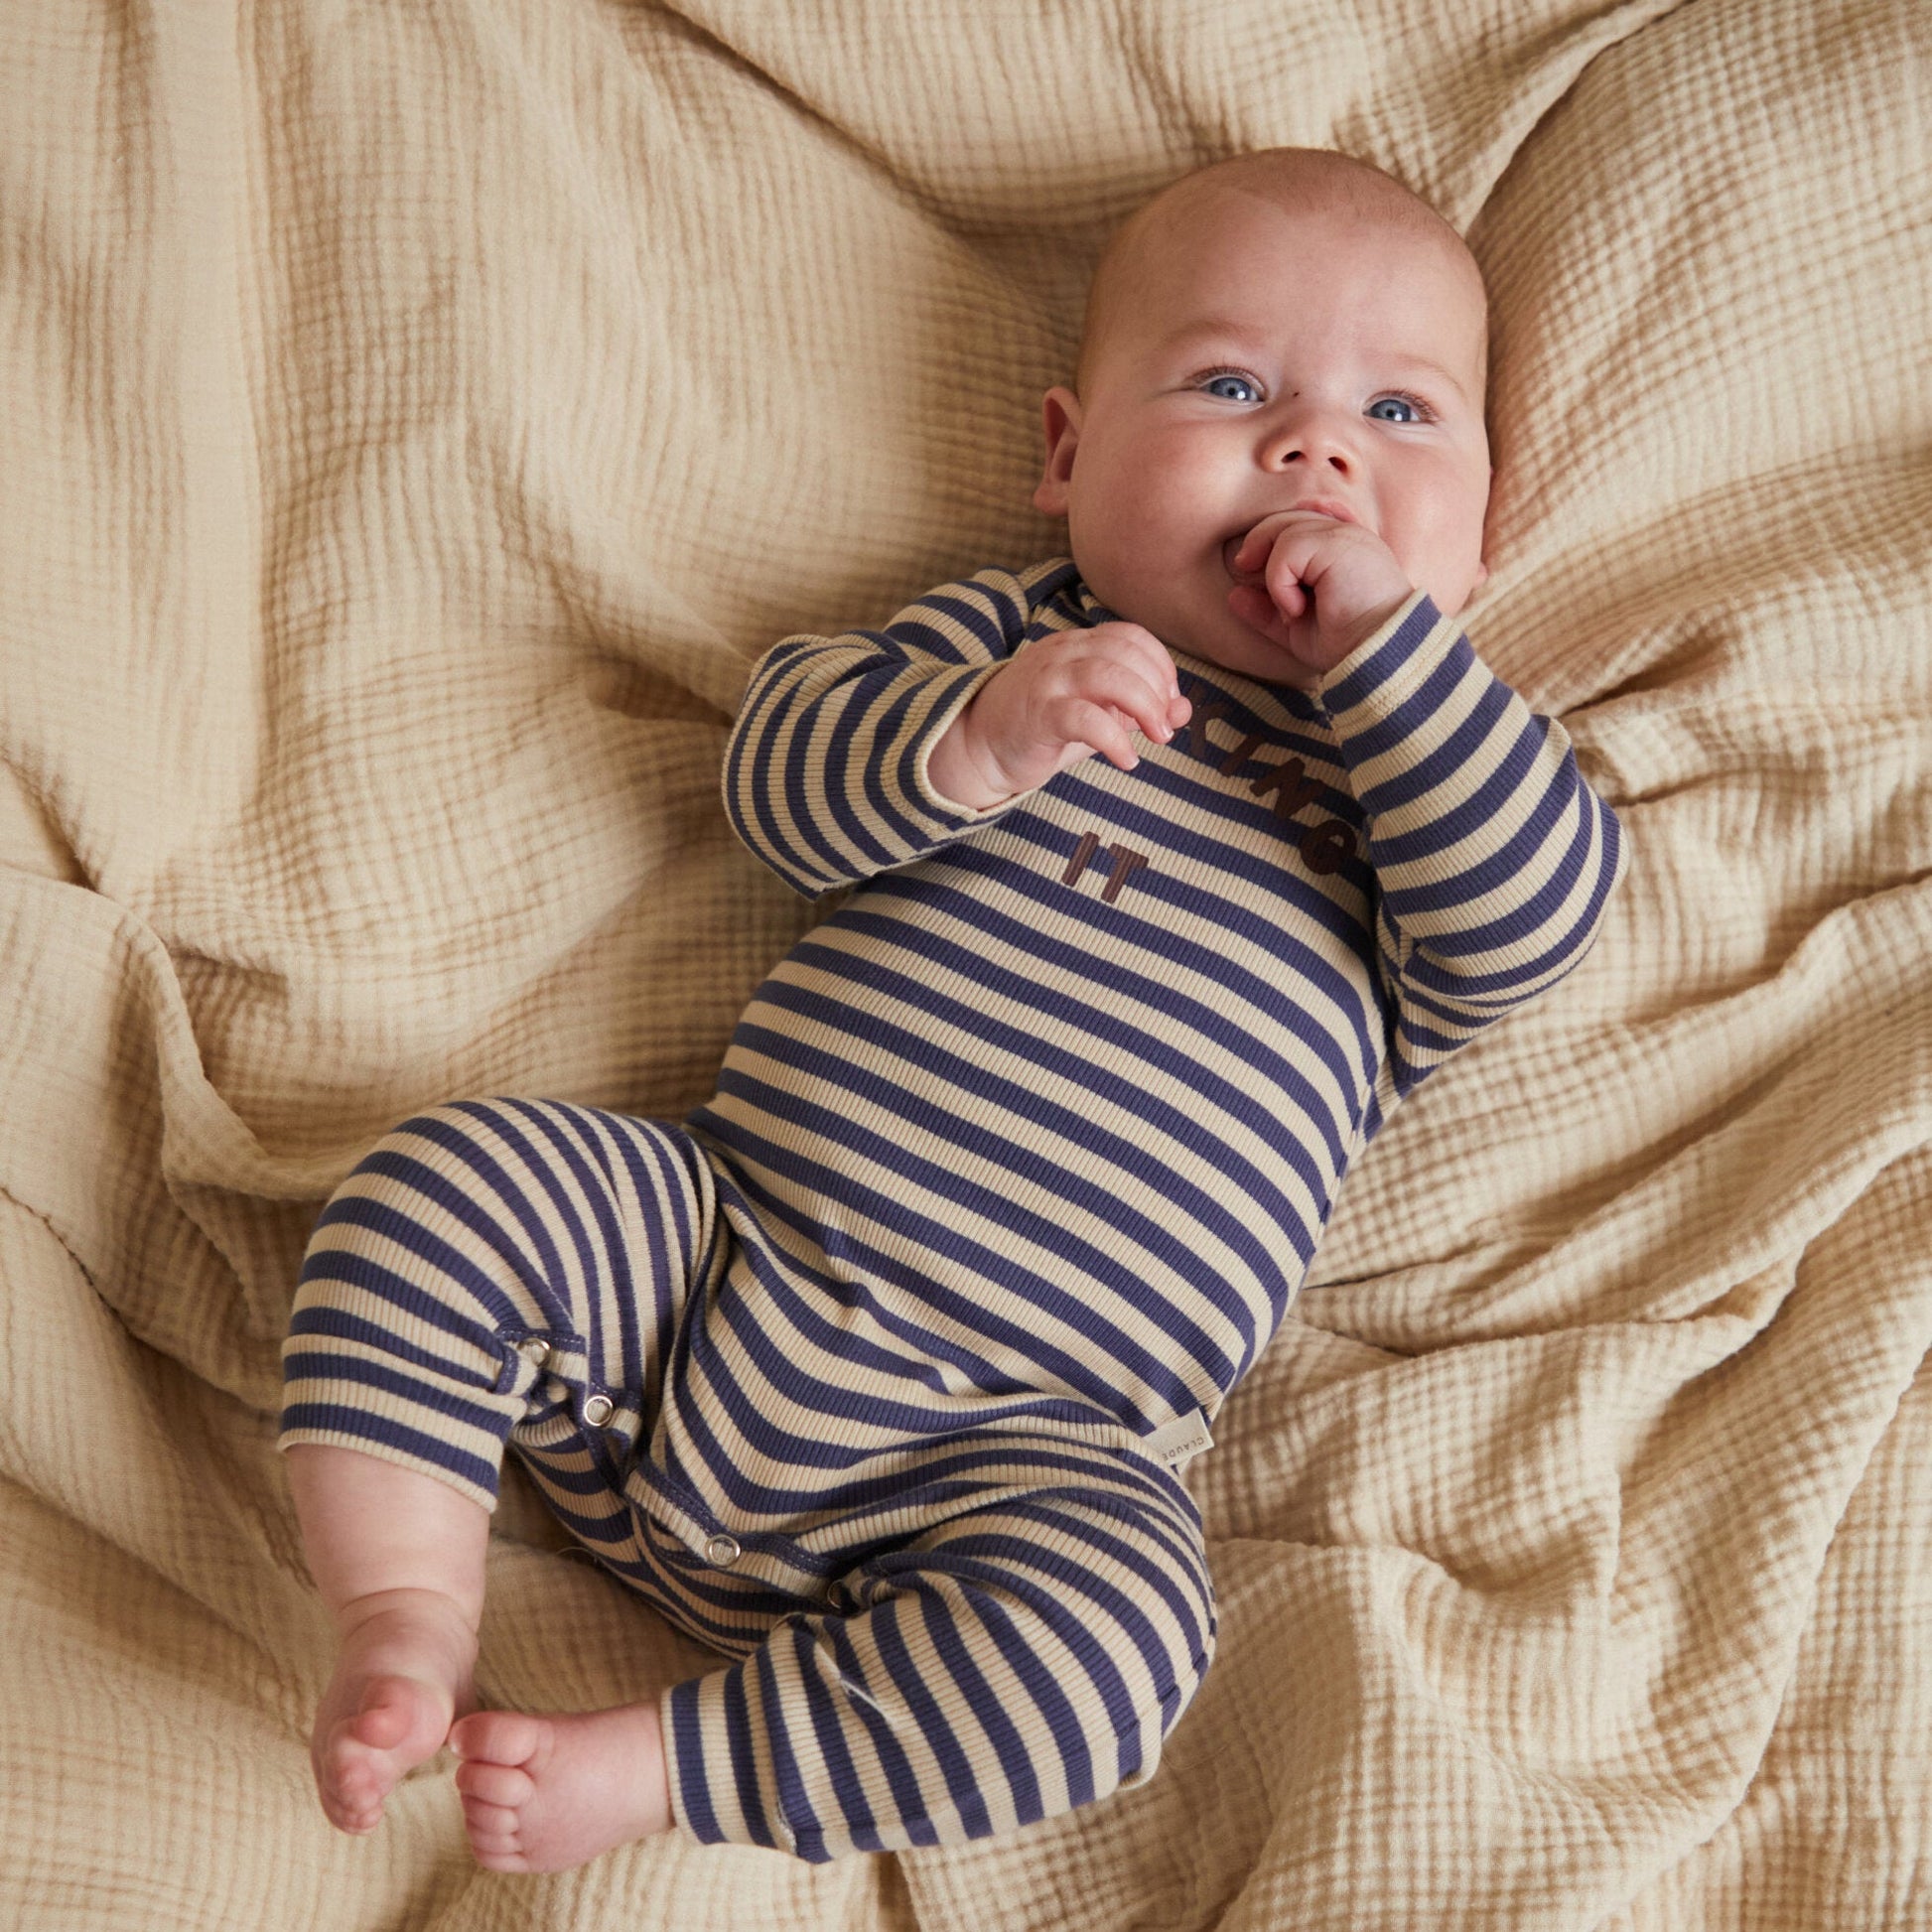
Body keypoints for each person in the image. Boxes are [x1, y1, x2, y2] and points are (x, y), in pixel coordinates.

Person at [278, 146, 1624, 1871]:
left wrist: (1397, 664)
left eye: (1400, 414)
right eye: (1229, 387)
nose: (1314, 448)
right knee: (448, 1186)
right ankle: (403, 1602)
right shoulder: (1002, 641)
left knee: (1118, 1655)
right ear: (1069, 458)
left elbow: (1534, 923)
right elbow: (780, 775)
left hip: (1023, 1456)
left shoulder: (1420, 803)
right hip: (708, 1273)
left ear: (1485, 534)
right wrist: (976, 735)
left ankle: (673, 1766)